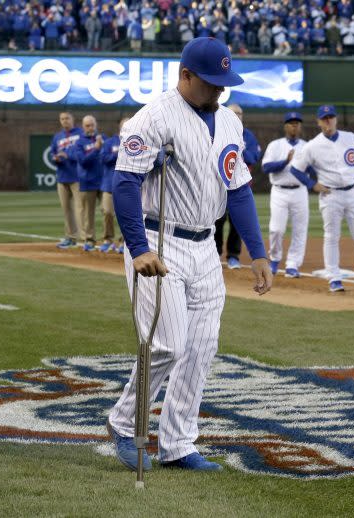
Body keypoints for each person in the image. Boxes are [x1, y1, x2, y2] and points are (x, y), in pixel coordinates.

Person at [107, 37, 272, 472]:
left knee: (201, 347)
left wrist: (257, 253)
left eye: (224, 83)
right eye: (212, 83)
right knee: (165, 344)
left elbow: (237, 190)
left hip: (205, 247)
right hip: (158, 241)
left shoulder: (230, 124)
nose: (219, 91)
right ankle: (125, 423)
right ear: (186, 75)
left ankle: (178, 444)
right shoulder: (155, 117)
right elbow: (124, 183)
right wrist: (138, 249)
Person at [289, 105, 354, 292]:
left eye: (331, 117)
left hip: (353, 192)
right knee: (331, 236)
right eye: (324, 118)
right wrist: (312, 184)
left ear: (336, 119)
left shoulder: (352, 138)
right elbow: (295, 169)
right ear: (319, 122)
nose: (328, 121)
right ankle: (334, 278)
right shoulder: (312, 146)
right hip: (331, 195)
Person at [261, 112, 309, 278]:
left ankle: (293, 265)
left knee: (300, 230)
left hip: (300, 191)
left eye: (297, 123)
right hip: (279, 191)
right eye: (291, 123)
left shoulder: (306, 146)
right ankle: (274, 259)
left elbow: (313, 168)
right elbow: (266, 168)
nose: (294, 125)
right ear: (285, 126)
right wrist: (285, 162)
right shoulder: (275, 145)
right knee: (276, 229)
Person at [214, 103, 261, 269]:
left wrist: (237, 149)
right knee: (217, 221)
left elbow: (253, 156)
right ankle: (216, 254)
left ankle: (233, 256)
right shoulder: (219, 132)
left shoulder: (248, 135)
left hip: (241, 186)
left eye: (240, 113)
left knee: (237, 223)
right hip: (219, 186)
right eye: (234, 113)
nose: (237, 116)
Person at [51, 112, 83, 249]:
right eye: (62, 119)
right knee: (66, 209)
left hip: (77, 176)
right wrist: (55, 158)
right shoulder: (57, 137)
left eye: (67, 118)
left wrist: (67, 155)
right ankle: (70, 237)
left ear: (72, 119)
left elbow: (83, 152)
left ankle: (86, 238)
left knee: (81, 209)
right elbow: (53, 152)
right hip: (62, 176)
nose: (65, 121)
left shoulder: (81, 133)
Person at [73, 115, 104, 251]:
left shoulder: (103, 139)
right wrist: (96, 149)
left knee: (107, 211)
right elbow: (83, 161)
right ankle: (90, 239)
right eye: (87, 125)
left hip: (103, 181)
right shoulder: (80, 142)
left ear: (96, 124)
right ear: (83, 127)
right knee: (88, 213)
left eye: (92, 124)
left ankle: (107, 239)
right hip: (87, 181)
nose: (90, 127)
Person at [99, 117, 130, 253]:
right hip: (109, 184)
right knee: (107, 212)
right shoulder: (110, 142)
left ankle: (124, 242)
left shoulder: (135, 142)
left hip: (127, 185)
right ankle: (107, 239)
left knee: (127, 215)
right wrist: (119, 154)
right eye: (124, 125)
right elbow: (103, 158)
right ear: (120, 127)